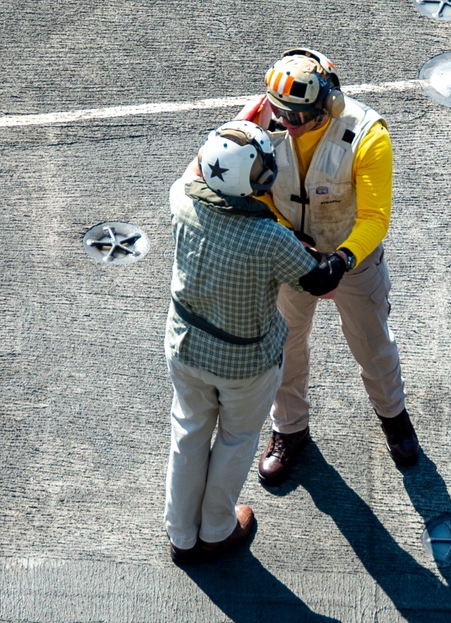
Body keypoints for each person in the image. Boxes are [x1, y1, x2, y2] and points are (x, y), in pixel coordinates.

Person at [164, 120, 346, 564]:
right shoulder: (270, 238)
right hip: (244, 364)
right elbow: (323, 284)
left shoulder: (181, 199)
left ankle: (181, 535)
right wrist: (341, 255)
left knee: (188, 433)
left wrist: (242, 121)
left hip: (186, 347)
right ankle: (216, 530)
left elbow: (196, 169)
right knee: (236, 440)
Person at [242, 48, 422, 486]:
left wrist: (341, 260)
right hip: (289, 256)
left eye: (299, 117)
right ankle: (290, 429)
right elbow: (255, 192)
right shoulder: (264, 125)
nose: (288, 125)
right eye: (281, 113)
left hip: (353, 260)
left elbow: (376, 218)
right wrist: (286, 235)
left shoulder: (368, 135)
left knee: (372, 343)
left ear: (329, 104)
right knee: (284, 347)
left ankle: (393, 418)